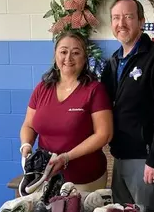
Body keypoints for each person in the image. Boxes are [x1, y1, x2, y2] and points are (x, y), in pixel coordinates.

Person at [101, 0, 154, 212]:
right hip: (121, 157)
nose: (121, 23)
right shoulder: (114, 61)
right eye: (116, 18)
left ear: (141, 21)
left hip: (147, 160)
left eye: (128, 16)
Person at [20, 31, 113, 192]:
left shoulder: (94, 90)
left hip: (84, 179)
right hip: (46, 177)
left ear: (84, 58)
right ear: (55, 56)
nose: (68, 58)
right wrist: (26, 146)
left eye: (76, 53)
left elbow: (104, 134)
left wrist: (66, 157)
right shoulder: (42, 88)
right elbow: (28, 125)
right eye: (63, 52)